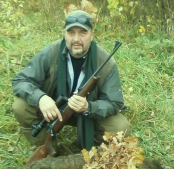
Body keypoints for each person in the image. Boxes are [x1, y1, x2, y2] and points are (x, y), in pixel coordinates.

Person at [12, 10, 130, 150]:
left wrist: (89, 107)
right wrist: (41, 98)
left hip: (88, 113)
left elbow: (114, 102)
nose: (76, 39)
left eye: (83, 33)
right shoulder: (51, 52)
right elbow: (20, 81)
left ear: (92, 35)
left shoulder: (105, 61)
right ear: (64, 34)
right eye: (71, 33)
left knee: (122, 128)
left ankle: (95, 147)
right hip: (53, 110)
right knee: (20, 106)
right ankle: (45, 146)